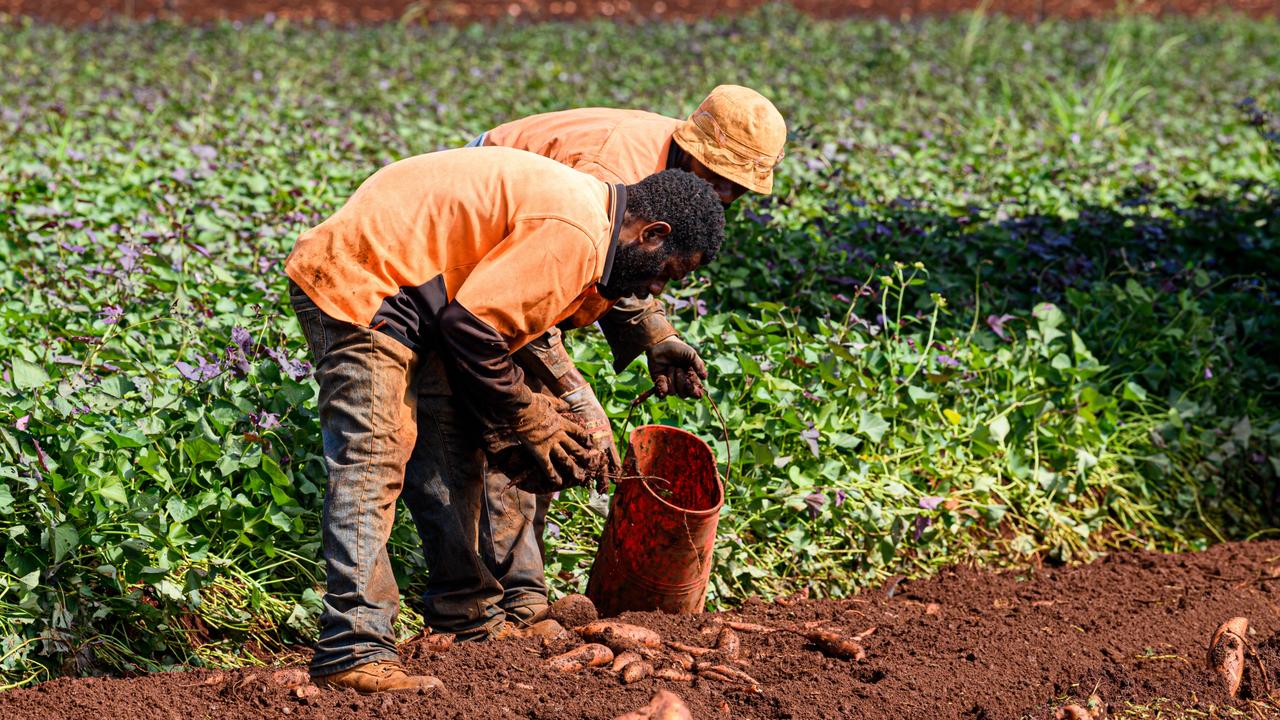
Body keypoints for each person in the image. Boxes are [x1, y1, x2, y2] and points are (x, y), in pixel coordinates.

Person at [285, 146, 725, 693]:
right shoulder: (578, 232)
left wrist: (539, 412)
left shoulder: (588, 217)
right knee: (373, 461)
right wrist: (528, 416)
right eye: (666, 273)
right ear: (653, 234)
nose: (653, 291)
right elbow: (471, 329)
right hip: (364, 281)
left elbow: (503, 321)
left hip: (420, 297)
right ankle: (352, 647)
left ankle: (468, 618)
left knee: (452, 453)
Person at [426, 85, 786, 633]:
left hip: (528, 259)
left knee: (533, 422)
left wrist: (653, 333)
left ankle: (521, 596)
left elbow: (622, 264)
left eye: (734, 190)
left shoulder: (672, 180)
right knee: (518, 419)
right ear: (692, 147)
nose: (720, 196)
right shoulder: (608, 168)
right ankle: (504, 605)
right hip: (475, 248)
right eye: (717, 178)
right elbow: (532, 307)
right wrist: (577, 396)